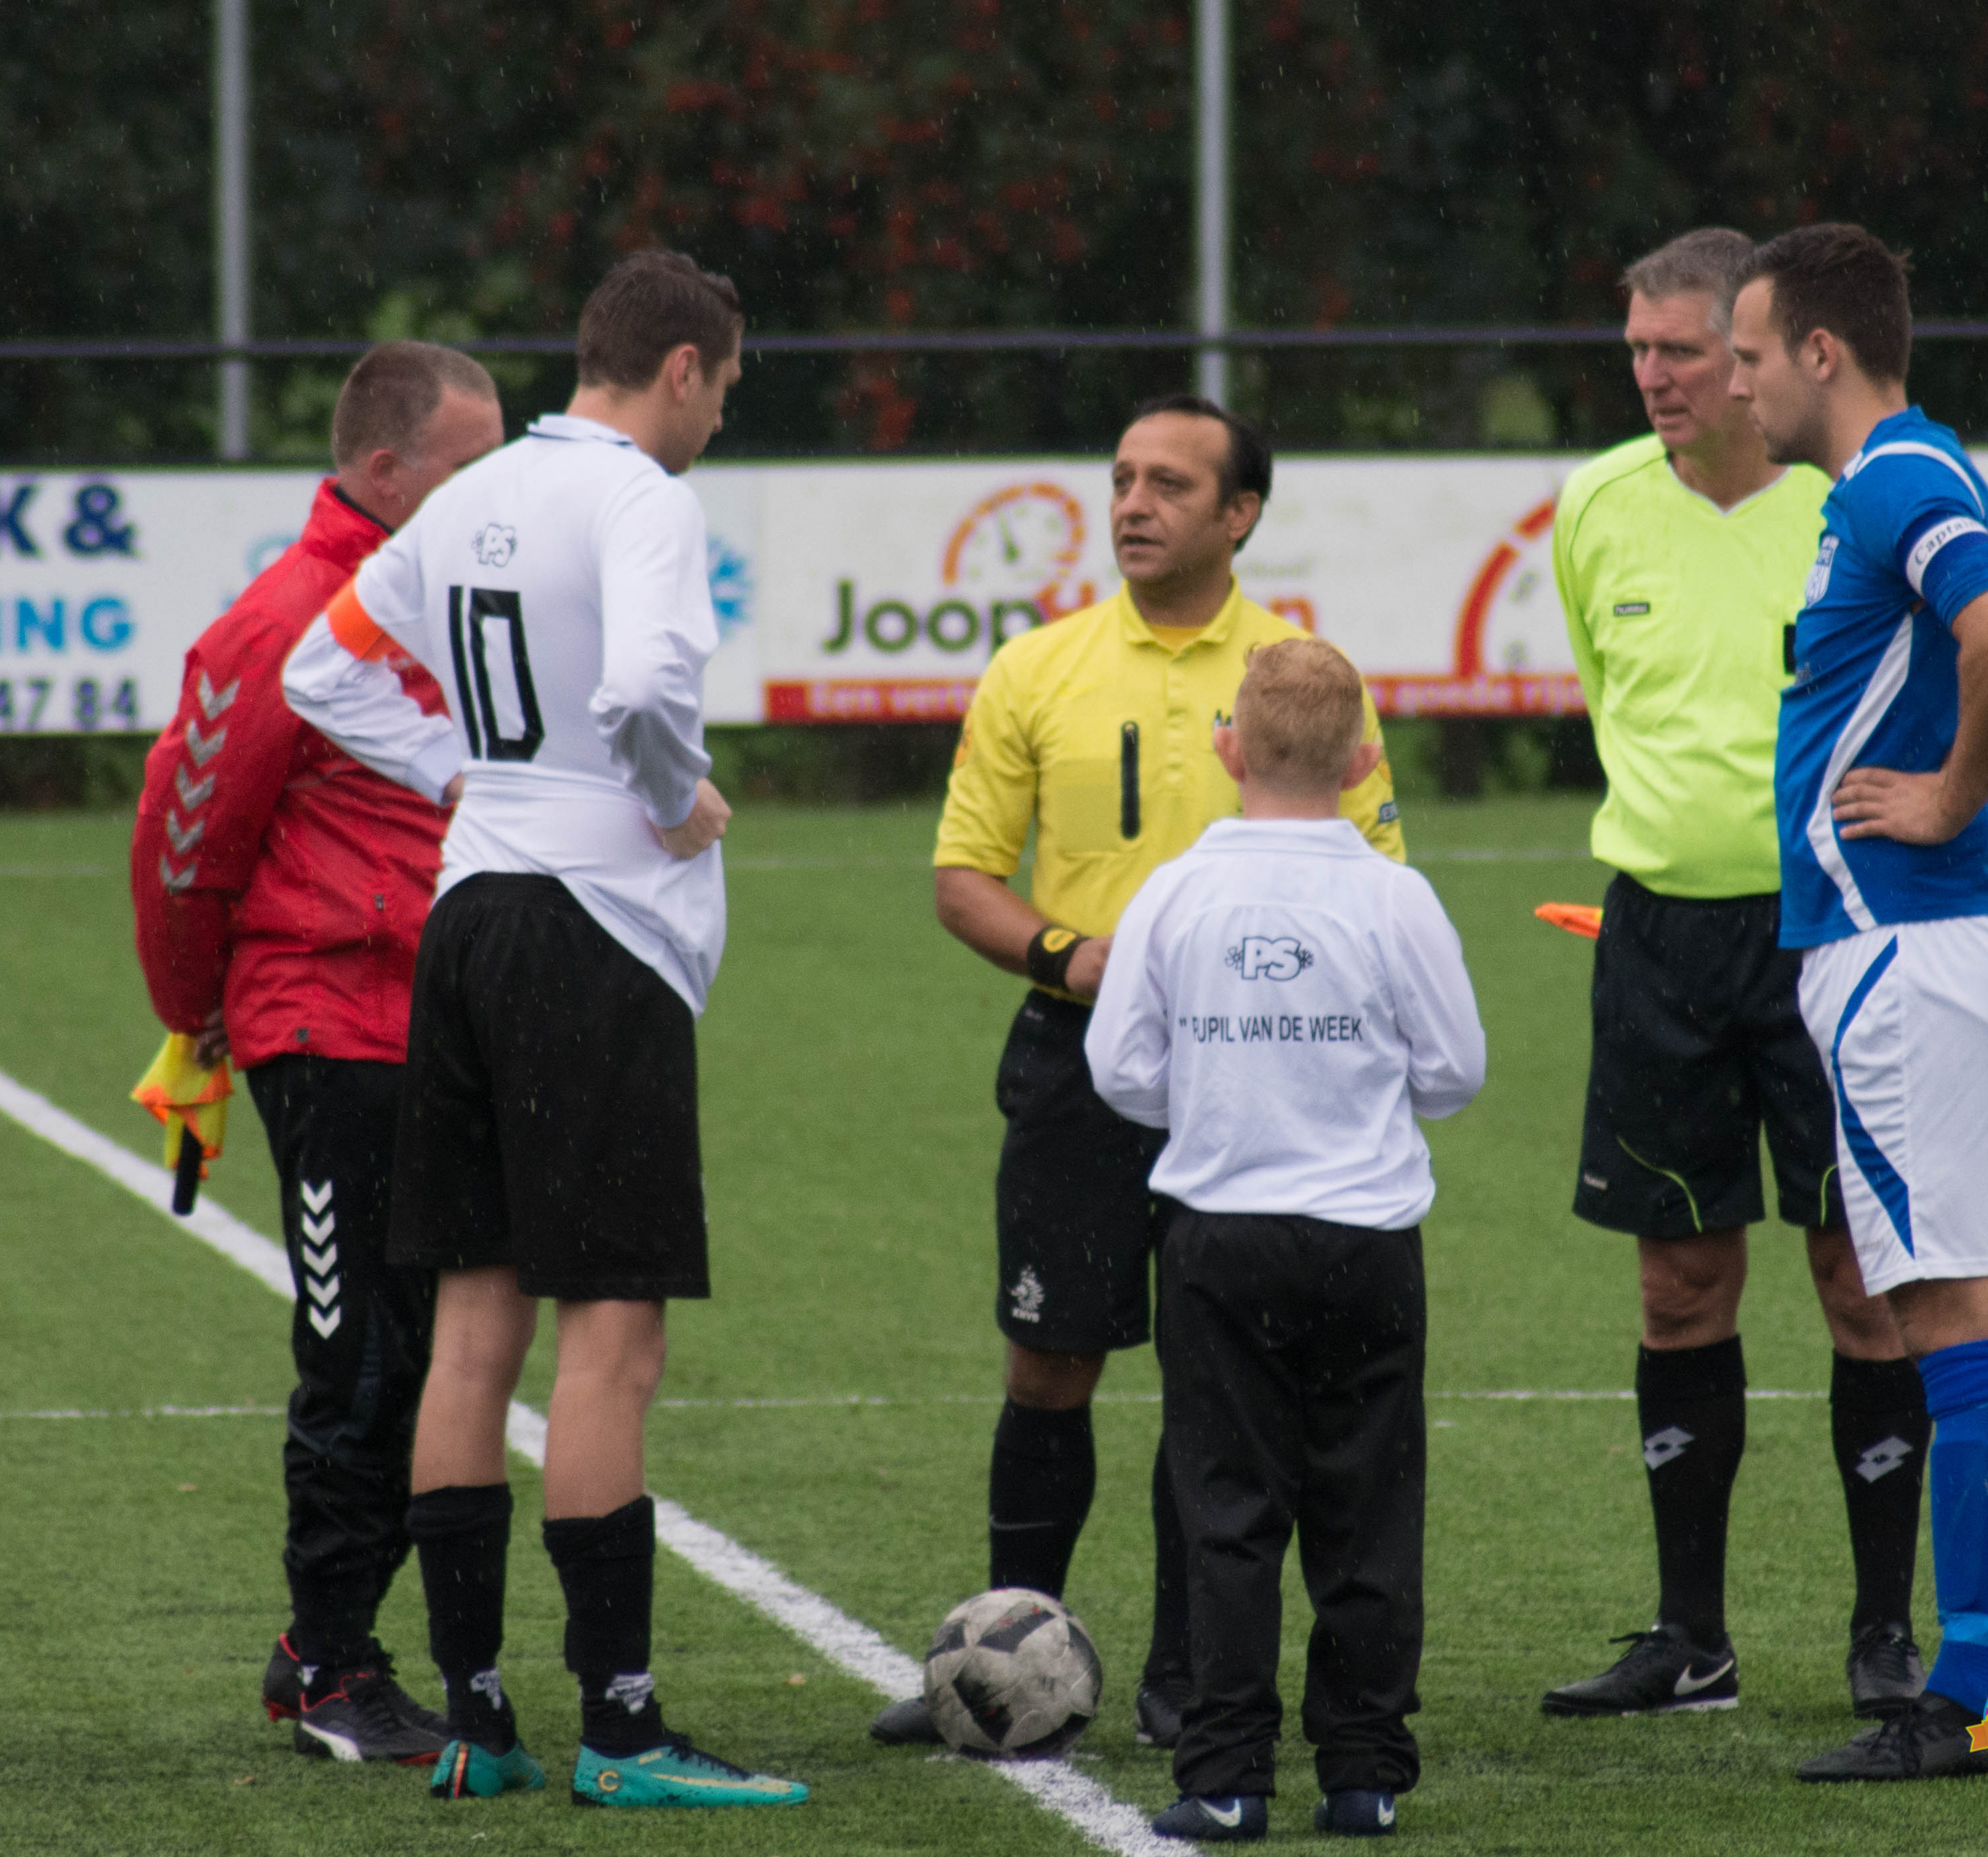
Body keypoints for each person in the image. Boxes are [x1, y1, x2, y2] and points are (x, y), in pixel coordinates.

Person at [281, 249, 804, 1812]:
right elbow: (648, 679)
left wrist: (465, 777)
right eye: (722, 390)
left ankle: (476, 1716)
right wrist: (666, 796)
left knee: (468, 1329)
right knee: (612, 1337)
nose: (713, 420)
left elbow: (327, 670)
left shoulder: (468, 495)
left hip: (470, 918)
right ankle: (623, 1730)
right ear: (686, 370)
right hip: (593, 928)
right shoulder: (640, 492)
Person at [875, 395, 1409, 1753]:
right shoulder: (1037, 665)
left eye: (1169, 483)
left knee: (1213, 1385)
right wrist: (1075, 959)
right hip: (1077, 1057)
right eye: (1119, 477)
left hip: (1251, 1066)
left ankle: (1193, 1678)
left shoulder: (1304, 679)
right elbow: (958, 880)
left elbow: (1379, 881)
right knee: (1048, 1358)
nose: (1132, 503)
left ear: (1237, 515)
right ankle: (1003, 1654)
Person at [1536, 230, 1931, 1728]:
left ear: (1751, 352)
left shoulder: (1851, 500)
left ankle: (1880, 1634)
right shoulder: (1591, 506)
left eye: (1681, 353)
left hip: (1829, 933)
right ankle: (1686, 1638)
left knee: (1859, 1281)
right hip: (1655, 942)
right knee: (1676, 1280)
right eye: (1633, 351)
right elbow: (1611, 697)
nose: (1651, 378)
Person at [1725, 223, 1988, 1782]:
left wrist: (1944, 794)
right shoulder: (1914, 475)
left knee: (1947, 1316)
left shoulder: (1887, 476)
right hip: (1925, 943)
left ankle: (1964, 1694)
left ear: (1818, 351)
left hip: (1905, 944)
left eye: (1744, 354)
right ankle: (1974, 1677)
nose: (1730, 386)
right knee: (1953, 1305)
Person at [129, 340, 501, 1763]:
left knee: (427, 1353)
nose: (494, 493)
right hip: (326, 1030)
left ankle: (324, 1652)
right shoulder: (286, 616)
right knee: (360, 1357)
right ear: (384, 470)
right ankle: (332, 1665)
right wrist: (195, 1014)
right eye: (469, 467)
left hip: (434, 1027)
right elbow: (186, 836)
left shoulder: (437, 600)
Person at [1086, 637, 1486, 1844]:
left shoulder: (1173, 890)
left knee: (1228, 1508)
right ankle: (1361, 1773)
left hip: (1218, 1235)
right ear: (1367, 759)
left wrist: (1216, 1098)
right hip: (1366, 1239)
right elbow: (1455, 1071)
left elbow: (1119, 1067)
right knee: (1369, 1503)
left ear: (1226, 750)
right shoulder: (1392, 892)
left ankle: (1225, 1776)